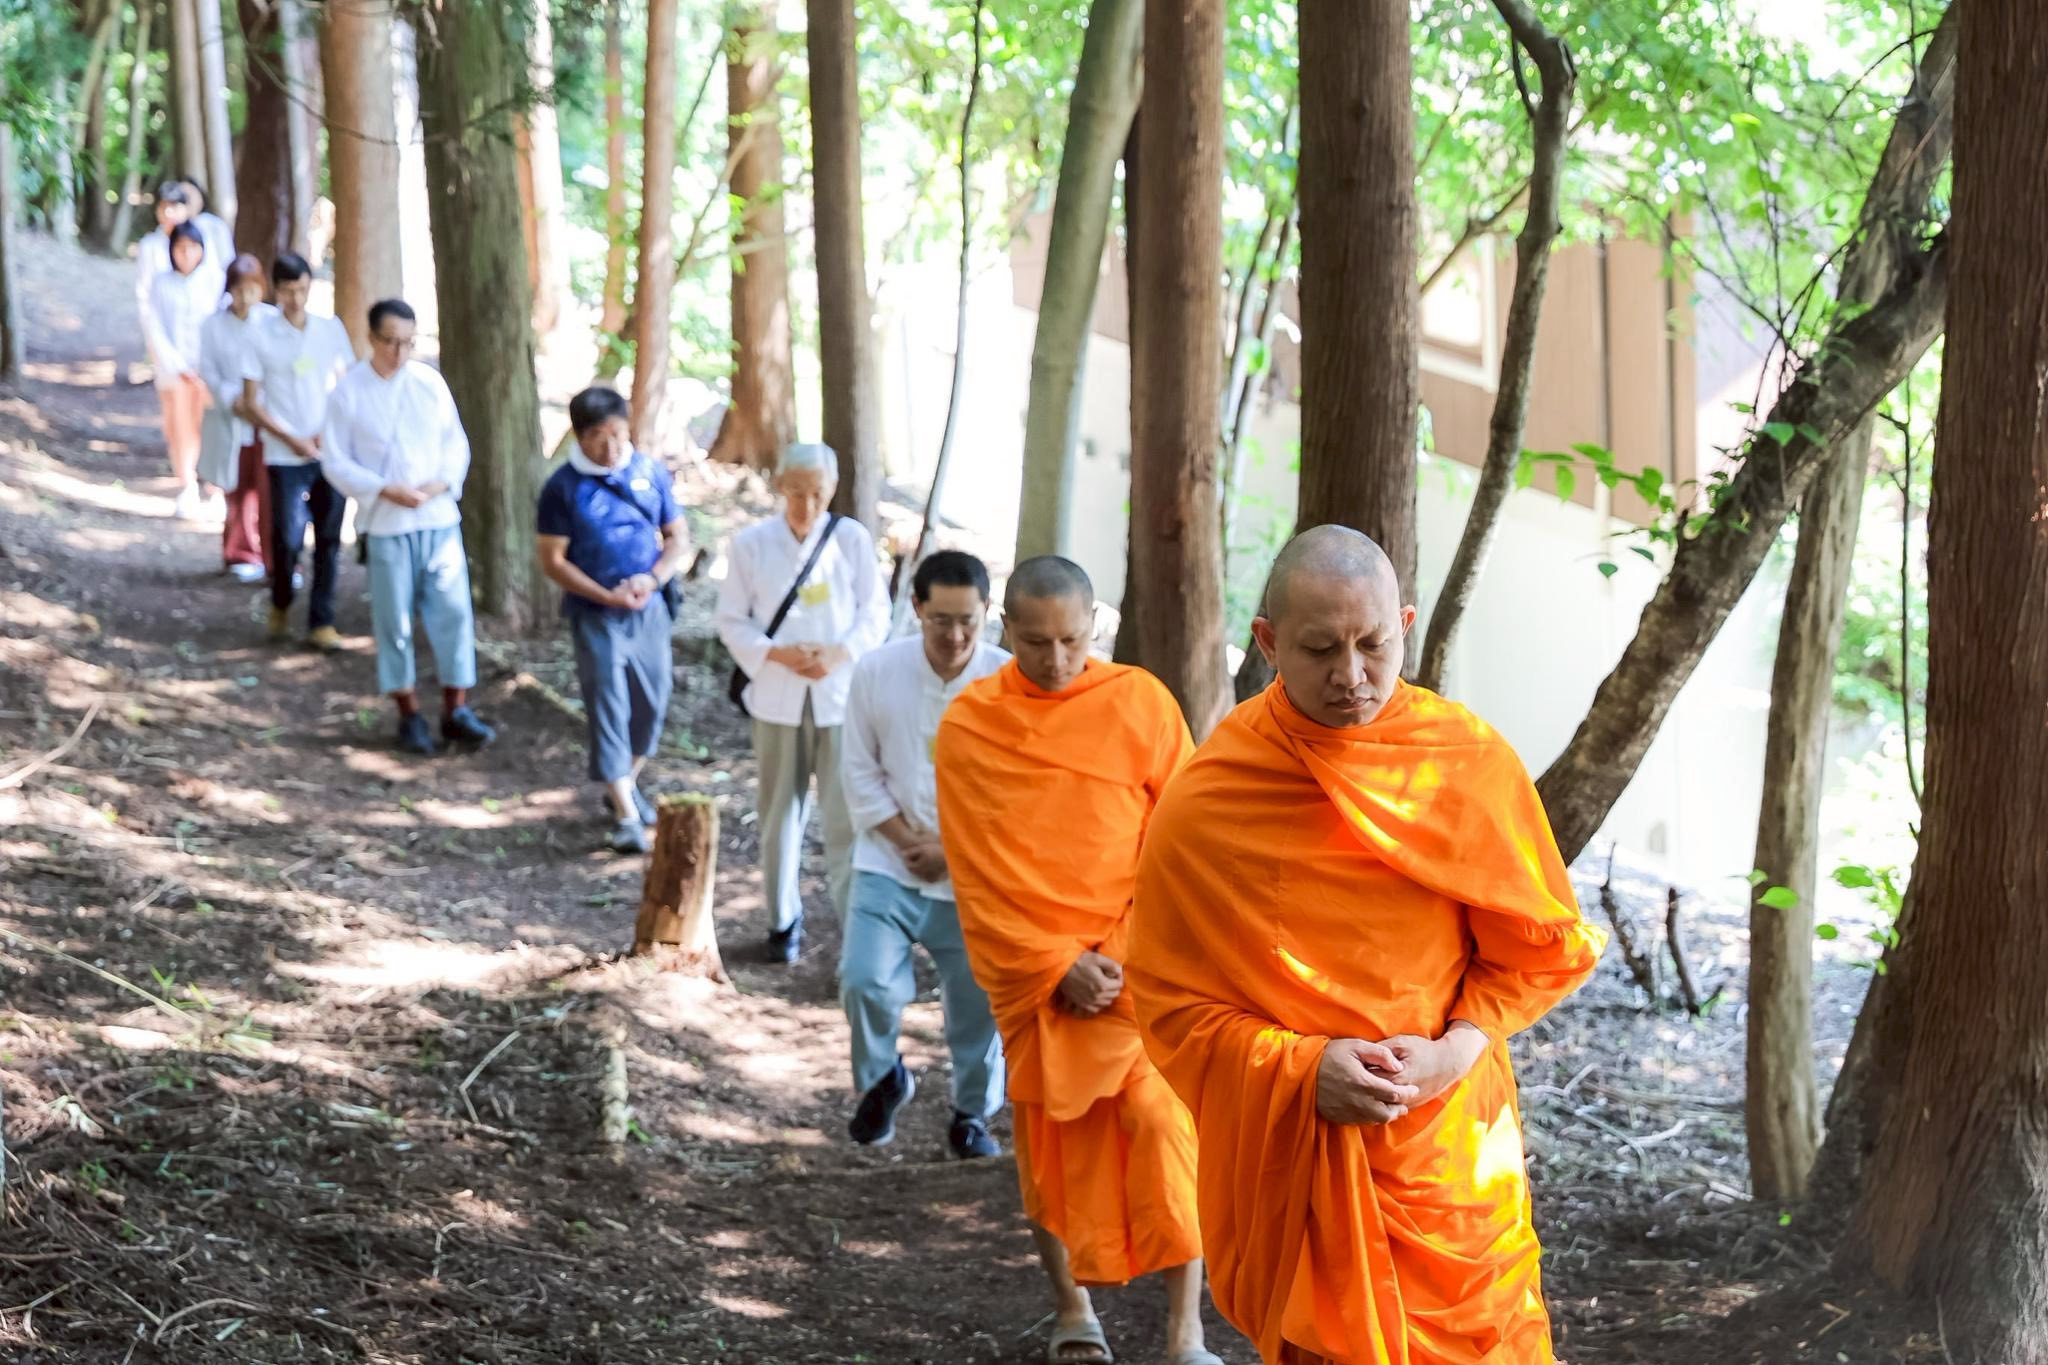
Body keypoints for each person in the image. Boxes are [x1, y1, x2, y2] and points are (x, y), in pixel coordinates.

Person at [1126, 526, 1607, 1365]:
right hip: (1308, 1161)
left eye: (1374, 644)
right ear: (1268, 641)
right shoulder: (1215, 795)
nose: (1351, 675)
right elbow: (1168, 1004)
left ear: (1407, 625)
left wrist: (1454, 1052)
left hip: (1446, 1143)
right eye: (1320, 649)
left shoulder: (1464, 763)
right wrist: (1303, 1070)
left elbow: (1533, 948)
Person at [934, 556, 1221, 1365]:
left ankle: (1185, 1333)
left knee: (1166, 1125)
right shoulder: (970, 726)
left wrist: (1120, 955)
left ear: (1096, 626)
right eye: (1034, 643)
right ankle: (1072, 1308)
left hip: (1140, 969)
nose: (1055, 660)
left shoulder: (1141, 703)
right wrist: (1056, 962)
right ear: (1005, 633)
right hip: (1037, 980)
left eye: (1070, 639)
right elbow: (978, 874)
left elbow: (1185, 847)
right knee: (1047, 1143)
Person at [838, 550, 1007, 1158]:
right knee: (864, 982)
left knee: (976, 1007)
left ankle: (971, 1114)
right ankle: (884, 1077)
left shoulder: (1009, 681)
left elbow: (1020, 793)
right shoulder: (877, 671)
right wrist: (910, 842)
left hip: (977, 879)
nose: (956, 635)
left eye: (969, 620)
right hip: (888, 863)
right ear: (917, 610)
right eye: (941, 620)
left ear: (988, 612)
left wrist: (955, 853)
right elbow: (857, 770)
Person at [714, 442, 887, 963]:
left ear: (831, 490)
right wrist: (777, 655)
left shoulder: (851, 540)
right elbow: (731, 620)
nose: (806, 505)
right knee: (778, 814)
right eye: (796, 492)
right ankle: (781, 921)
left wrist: (839, 653)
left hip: (838, 696)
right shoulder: (752, 545)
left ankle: (854, 928)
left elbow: (874, 612)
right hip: (776, 695)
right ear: (779, 486)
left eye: (816, 494)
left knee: (844, 818)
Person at [319, 299, 496, 756]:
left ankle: (456, 708)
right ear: (372, 339)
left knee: (454, 613)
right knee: (394, 620)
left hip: (437, 518)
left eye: (408, 343)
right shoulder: (349, 392)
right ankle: (408, 711)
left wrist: (441, 483)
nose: (399, 353)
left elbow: (455, 443)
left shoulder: (429, 384)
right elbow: (335, 460)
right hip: (387, 523)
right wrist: (381, 488)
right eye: (390, 342)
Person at [536, 386, 692, 853]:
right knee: (608, 703)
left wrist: (653, 579)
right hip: (595, 614)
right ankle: (626, 813)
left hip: (649, 608)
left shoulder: (649, 472)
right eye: (599, 436)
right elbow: (553, 559)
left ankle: (620, 782)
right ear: (580, 437)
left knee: (652, 702)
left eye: (619, 434)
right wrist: (603, 593)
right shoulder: (562, 488)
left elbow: (676, 536)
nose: (611, 446)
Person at [239, 252, 355, 650]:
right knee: (287, 537)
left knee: (329, 536)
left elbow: (347, 385)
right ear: (277, 290)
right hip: (283, 453)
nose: (297, 299)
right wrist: (292, 438)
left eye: (303, 289)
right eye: (288, 291)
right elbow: (251, 401)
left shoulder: (329, 330)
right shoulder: (260, 334)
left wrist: (327, 433)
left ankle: (322, 620)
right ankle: (282, 601)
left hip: (328, 452)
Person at [198, 254, 277, 584]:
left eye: (252, 289)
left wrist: (259, 404)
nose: (246, 297)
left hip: (268, 419)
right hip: (232, 418)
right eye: (240, 290)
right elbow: (209, 372)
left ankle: (277, 557)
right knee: (238, 487)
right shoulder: (213, 326)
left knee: (271, 489)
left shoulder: (273, 321)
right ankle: (240, 553)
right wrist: (236, 400)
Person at [141, 222, 225, 520]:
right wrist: (178, 365)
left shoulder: (215, 281)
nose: (186, 254)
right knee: (180, 429)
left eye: (192, 247)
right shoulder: (162, 284)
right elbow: (155, 327)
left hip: (209, 371)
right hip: (174, 372)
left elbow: (220, 325)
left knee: (212, 428)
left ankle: (215, 488)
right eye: (180, 248)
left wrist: (206, 366)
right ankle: (187, 485)